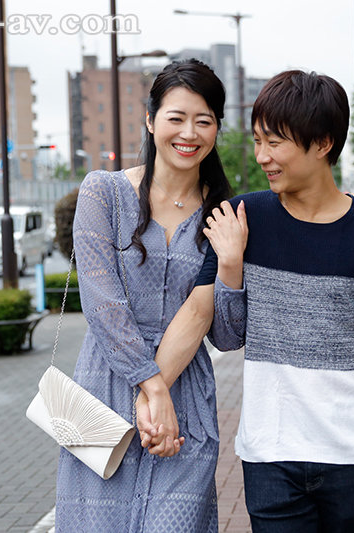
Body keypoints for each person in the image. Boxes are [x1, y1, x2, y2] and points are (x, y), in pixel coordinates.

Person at [143, 70, 354, 531]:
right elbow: (199, 314)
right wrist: (151, 388)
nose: (262, 156)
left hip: (353, 454)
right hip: (270, 455)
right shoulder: (242, 218)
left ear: (323, 143)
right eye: (257, 141)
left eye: (274, 143)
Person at [55, 59, 233, 533]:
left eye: (203, 120)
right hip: (105, 389)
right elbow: (102, 304)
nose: (189, 133)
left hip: (188, 399)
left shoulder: (224, 212)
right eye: (176, 117)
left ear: (217, 127)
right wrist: (152, 388)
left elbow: (225, 332)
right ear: (151, 120)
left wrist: (232, 267)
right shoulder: (104, 193)